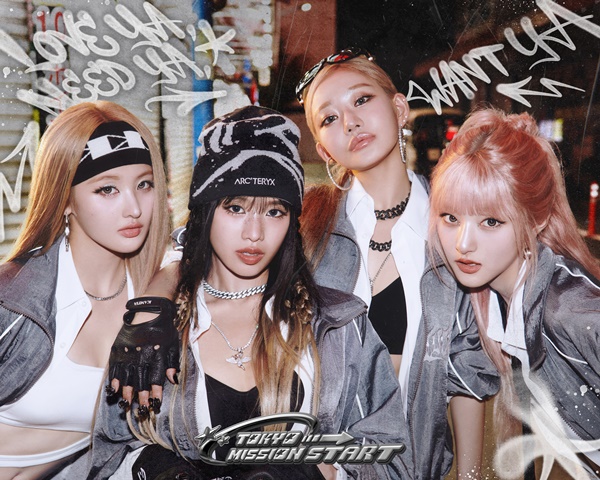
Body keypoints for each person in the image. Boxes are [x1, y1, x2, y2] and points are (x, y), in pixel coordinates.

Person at [59, 106, 412, 480]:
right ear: (206, 210)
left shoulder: (337, 325)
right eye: (236, 207)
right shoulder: (156, 329)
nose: (254, 233)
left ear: (292, 220)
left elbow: (394, 461)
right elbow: (111, 452)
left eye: (274, 212)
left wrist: (318, 473)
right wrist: (150, 467)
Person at [295, 48, 499, 479]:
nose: (349, 122)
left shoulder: (452, 227)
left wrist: (471, 477)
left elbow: (466, 370)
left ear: (400, 108)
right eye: (329, 118)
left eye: (361, 99)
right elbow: (199, 248)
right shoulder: (307, 231)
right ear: (324, 150)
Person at [0, 101, 169, 480]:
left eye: (144, 184)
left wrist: (160, 297)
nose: (134, 208)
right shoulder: (11, 302)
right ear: (65, 200)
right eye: (107, 189)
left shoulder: (151, 290)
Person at [429, 108, 600, 478]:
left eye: (491, 221)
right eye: (450, 218)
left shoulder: (571, 311)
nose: (463, 244)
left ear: (536, 220)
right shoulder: (496, 302)